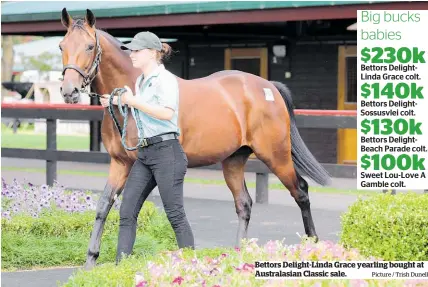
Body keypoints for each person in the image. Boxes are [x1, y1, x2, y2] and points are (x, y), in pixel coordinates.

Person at [99, 31, 195, 264]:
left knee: (175, 215)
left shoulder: (166, 80)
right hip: (145, 154)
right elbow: (142, 106)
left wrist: (132, 101)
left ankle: (193, 267)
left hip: (167, 153)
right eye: (131, 50)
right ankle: (120, 269)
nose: (132, 54)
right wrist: (116, 101)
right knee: (126, 212)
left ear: (152, 53)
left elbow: (166, 113)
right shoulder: (142, 81)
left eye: (137, 51)